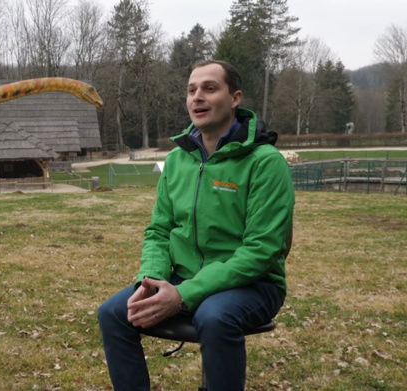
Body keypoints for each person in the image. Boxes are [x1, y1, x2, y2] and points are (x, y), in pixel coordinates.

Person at [97, 60, 294, 391]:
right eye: (191, 90)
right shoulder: (177, 160)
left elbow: (262, 251)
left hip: (253, 284)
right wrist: (152, 280)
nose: (197, 97)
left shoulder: (265, 163)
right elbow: (159, 231)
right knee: (113, 313)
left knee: (214, 318)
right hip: (181, 277)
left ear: (235, 98)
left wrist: (182, 296)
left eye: (210, 88)